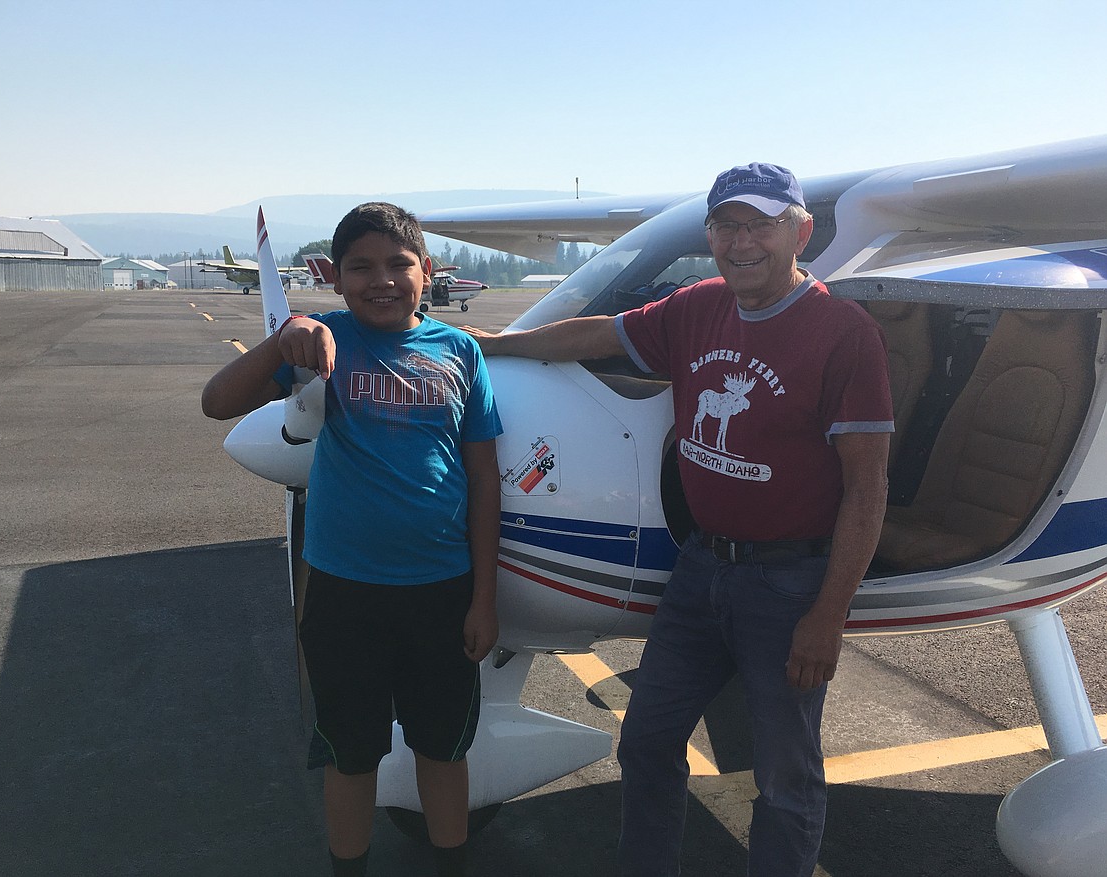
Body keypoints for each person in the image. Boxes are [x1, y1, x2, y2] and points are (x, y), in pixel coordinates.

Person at [463, 163, 893, 876]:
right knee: (647, 740)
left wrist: (828, 613)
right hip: (699, 569)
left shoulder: (844, 334)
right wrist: (493, 345)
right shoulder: (698, 306)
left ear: (801, 231)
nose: (742, 241)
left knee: (786, 777)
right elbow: (600, 336)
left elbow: (868, 487)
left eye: (761, 224)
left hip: (789, 582)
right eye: (726, 225)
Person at [202, 202, 503, 877]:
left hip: (442, 592)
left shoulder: (460, 352)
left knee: (442, 749)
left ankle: (449, 862)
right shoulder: (323, 341)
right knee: (350, 752)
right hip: (344, 592)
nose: (382, 279)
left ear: (427, 271)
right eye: (361, 267)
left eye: (399, 264)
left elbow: (485, 479)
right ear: (336, 278)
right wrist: (287, 337)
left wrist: (485, 597)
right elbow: (217, 402)